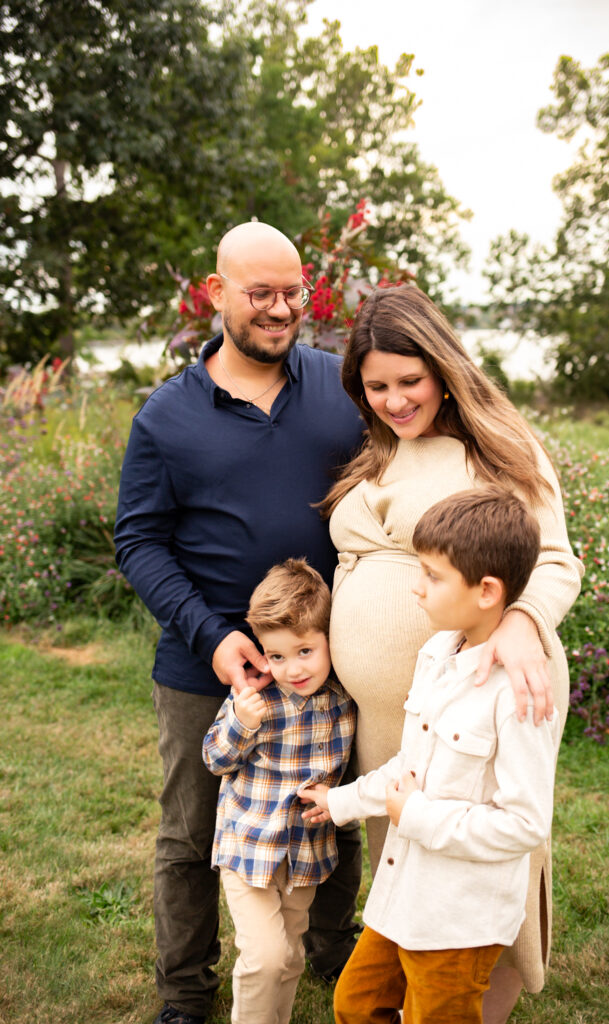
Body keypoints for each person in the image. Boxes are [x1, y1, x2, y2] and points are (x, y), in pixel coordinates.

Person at [114, 222, 365, 1024]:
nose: (282, 309)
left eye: (294, 292)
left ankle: (332, 953)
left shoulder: (339, 386)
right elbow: (138, 540)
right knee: (189, 837)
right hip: (204, 667)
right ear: (215, 293)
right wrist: (212, 635)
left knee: (334, 815)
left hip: (329, 660)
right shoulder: (166, 416)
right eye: (261, 293)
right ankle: (185, 997)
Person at [319, 285, 584, 1023]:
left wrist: (524, 619)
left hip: (485, 692)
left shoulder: (499, 447)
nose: (395, 400)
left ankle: (476, 1004)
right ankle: (419, 996)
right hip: (396, 710)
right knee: (408, 858)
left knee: (480, 864)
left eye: (410, 381)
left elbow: (556, 559)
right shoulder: (383, 449)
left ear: (443, 368)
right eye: (376, 387)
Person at [299, 487, 563, 1024]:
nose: (416, 587)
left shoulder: (517, 697)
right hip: (403, 895)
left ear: (487, 591)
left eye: (432, 576)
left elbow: (524, 824)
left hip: (458, 916)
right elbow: (410, 766)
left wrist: (416, 816)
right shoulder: (437, 653)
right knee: (357, 1002)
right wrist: (342, 801)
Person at [202, 558, 356, 1024]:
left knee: (288, 956)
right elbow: (215, 759)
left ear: (329, 639)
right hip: (249, 848)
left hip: (305, 854)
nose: (293, 669)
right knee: (265, 957)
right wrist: (241, 722)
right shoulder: (255, 700)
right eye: (277, 656)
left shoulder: (343, 700)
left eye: (305, 650)